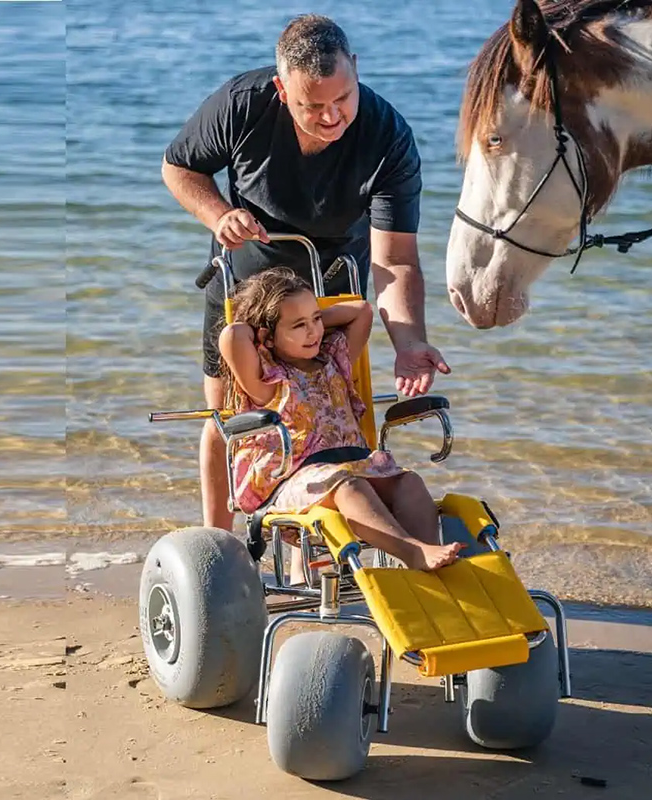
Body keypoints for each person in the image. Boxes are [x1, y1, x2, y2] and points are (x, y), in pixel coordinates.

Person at [162, 14, 451, 533]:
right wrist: (218, 214)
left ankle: (320, 542)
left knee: (333, 411)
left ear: (356, 70)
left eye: (342, 98)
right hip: (246, 288)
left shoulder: (388, 136)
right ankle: (219, 549)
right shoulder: (243, 103)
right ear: (280, 89)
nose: (331, 116)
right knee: (229, 417)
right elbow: (180, 166)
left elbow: (397, 259)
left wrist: (409, 342)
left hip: (332, 286)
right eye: (311, 106)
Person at [219, 268, 461, 571]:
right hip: (296, 482)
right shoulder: (269, 382)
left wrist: (303, 314)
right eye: (299, 325)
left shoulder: (334, 360)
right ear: (266, 337)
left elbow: (362, 311)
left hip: (354, 466)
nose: (314, 332)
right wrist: (272, 323)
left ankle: (429, 560)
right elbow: (234, 334)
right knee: (348, 486)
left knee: (409, 482)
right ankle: (412, 551)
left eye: (317, 320)